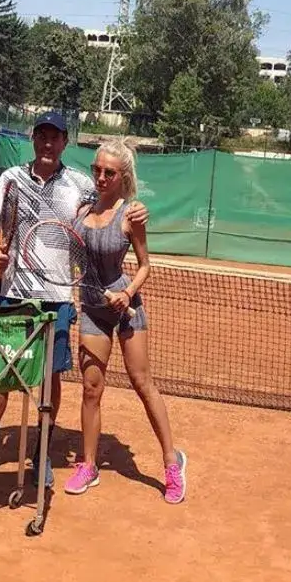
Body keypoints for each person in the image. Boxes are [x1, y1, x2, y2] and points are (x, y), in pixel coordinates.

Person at [0, 112, 149, 488]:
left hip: (57, 298)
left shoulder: (81, 185)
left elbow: (112, 202)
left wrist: (135, 207)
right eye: (41, 135)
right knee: (0, 374)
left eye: (54, 137)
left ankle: (41, 452)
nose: (47, 143)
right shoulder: (11, 179)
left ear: (64, 143)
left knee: (49, 376)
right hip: (12, 292)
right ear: (33, 138)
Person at [64, 139, 188, 504]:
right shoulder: (82, 209)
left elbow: (146, 265)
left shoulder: (131, 215)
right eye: (97, 170)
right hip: (92, 308)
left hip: (126, 306)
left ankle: (172, 462)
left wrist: (127, 292)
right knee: (91, 388)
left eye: (109, 172)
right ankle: (88, 465)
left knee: (141, 382)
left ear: (123, 176)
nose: (101, 177)